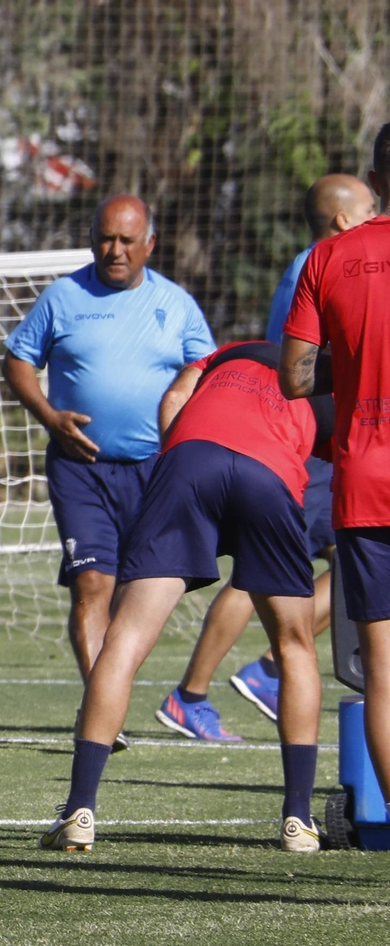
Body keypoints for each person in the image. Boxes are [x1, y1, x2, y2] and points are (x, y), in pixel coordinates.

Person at [42, 340, 332, 853]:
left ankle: (80, 812)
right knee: (294, 644)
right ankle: (298, 821)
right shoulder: (337, 381)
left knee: (126, 636)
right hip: (271, 478)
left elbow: (175, 397)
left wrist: (179, 456)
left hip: (189, 464)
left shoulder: (237, 350)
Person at [155, 174, 375, 740]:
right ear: (347, 220)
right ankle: (207, 688)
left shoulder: (317, 260)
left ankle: (251, 674)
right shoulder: (336, 261)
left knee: (314, 562)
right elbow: (310, 363)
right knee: (275, 564)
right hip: (305, 433)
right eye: (372, 208)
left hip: (300, 427)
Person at [3, 196, 215, 693]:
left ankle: (107, 696)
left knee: (136, 593)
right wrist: (50, 417)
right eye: (105, 238)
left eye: (127, 240)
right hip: (80, 467)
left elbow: (205, 365)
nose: (115, 250)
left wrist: (186, 395)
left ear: (149, 244)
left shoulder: (176, 304)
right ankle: (103, 709)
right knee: (91, 585)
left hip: (154, 471)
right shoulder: (62, 297)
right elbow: (18, 360)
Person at [280, 122, 390, 830]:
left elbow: (295, 377)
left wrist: (350, 373)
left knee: (382, 669)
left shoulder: (329, 256)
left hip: (366, 480)